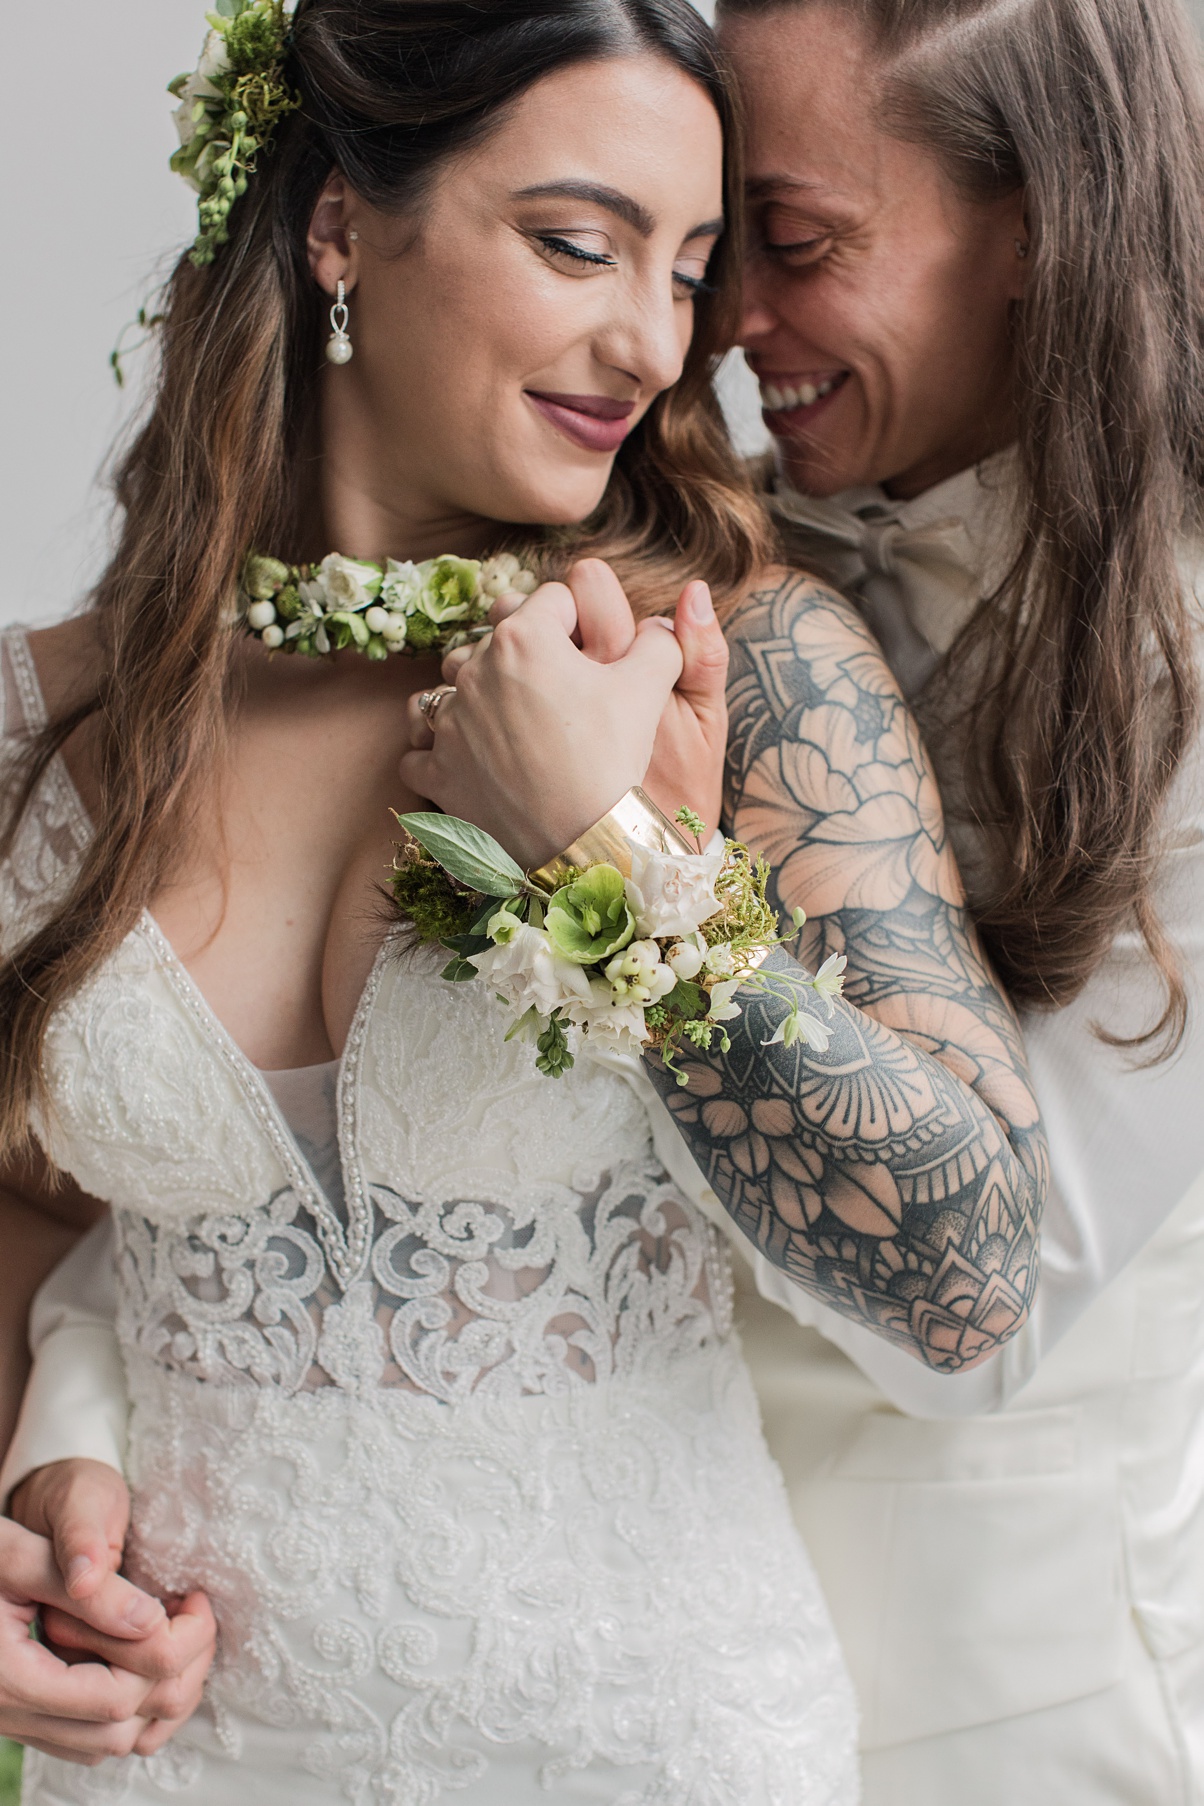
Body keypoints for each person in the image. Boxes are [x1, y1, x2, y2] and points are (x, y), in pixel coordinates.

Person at [0, 0, 1056, 1798]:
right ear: (341, 224)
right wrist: (23, 1521)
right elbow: (32, 1211)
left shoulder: (737, 661)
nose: (654, 340)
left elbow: (969, 1275)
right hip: (181, 1756)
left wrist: (614, 855)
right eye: (579, 243)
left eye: (692, 270)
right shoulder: (50, 723)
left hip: (651, 1743)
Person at [400, 0, 1204, 1797]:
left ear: (1038, 231)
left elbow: (983, 1318)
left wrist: (623, 863)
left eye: (794, 242)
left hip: (992, 1706)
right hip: (590, 1656)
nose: (720, 325)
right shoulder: (668, 553)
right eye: (709, 250)